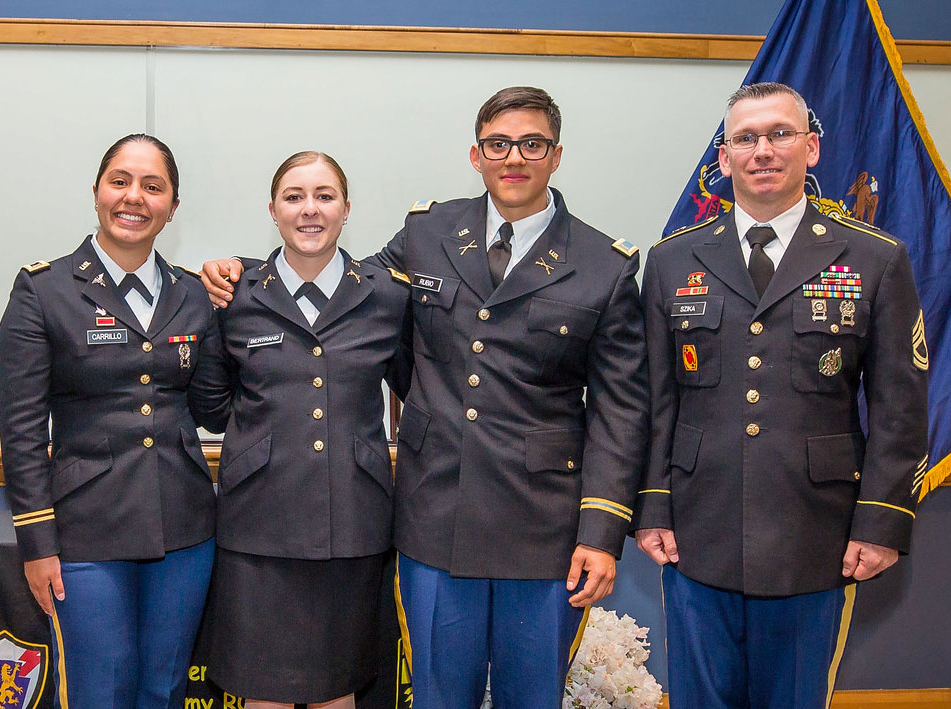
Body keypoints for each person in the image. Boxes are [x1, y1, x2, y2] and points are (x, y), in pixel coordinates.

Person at [201, 87, 648, 709]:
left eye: (531, 143)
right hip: (436, 512)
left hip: (543, 525)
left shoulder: (605, 264)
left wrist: (601, 532)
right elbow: (339, 280)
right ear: (476, 154)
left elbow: (621, 410)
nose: (513, 157)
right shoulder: (430, 231)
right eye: (498, 144)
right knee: (437, 694)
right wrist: (245, 272)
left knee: (532, 695)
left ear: (555, 155)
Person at [633, 81, 929, 708]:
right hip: (697, 525)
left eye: (779, 135)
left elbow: (900, 410)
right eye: (745, 138)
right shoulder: (670, 261)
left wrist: (881, 523)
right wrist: (653, 505)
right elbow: (655, 400)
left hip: (813, 532)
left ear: (811, 148)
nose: (762, 150)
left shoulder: (874, 260)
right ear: (724, 159)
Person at [0, 134, 225, 709]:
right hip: (84, 533)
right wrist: (36, 541)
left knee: (166, 688)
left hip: (185, 529)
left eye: (154, 186)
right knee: (101, 690)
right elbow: (22, 431)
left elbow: (214, 406)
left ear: (173, 205)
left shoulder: (195, 295)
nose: (134, 198)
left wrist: (243, 283)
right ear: (97, 191)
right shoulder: (43, 290)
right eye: (120, 181)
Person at [190, 152, 411, 708]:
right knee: (259, 690)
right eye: (294, 196)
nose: (309, 209)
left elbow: (414, 387)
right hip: (257, 523)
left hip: (354, 524)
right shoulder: (233, 293)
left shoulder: (387, 295)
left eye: (324, 195)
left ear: (346, 209)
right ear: (273, 209)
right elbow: (213, 406)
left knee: (338, 690)